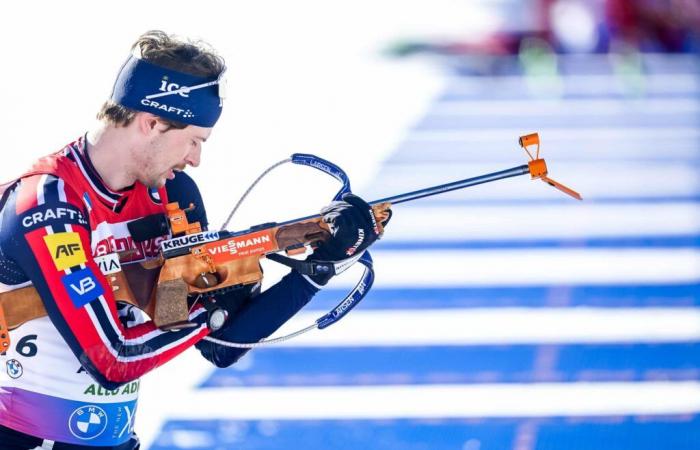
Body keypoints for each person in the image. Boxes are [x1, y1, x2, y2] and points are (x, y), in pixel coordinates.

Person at [0, 30, 388, 449]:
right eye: (194, 141)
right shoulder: (47, 204)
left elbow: (221, 344)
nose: (195, 160)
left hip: (107, 438)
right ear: (151, 123)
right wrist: (208, 311)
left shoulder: (173, 195)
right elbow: (110, 359)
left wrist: (321, 263)